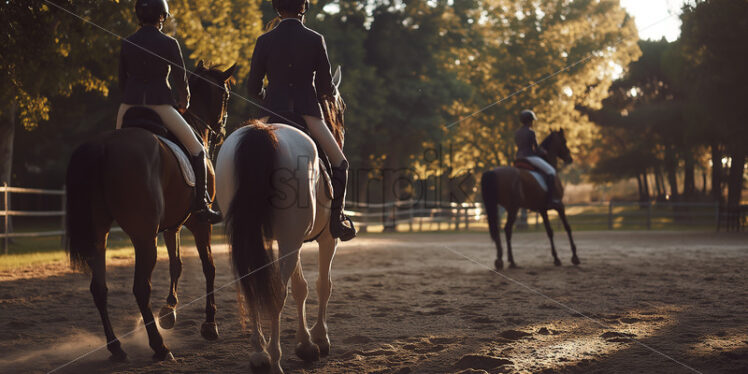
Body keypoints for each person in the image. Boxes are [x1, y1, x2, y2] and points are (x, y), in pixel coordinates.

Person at [246, 0, 356, 241]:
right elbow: (326, 88)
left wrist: (268, 96)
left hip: (271, 112)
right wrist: (317, 95)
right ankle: (337, 221)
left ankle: (242, 215)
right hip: (307, 111)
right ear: (303, 8)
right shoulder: (315, 39)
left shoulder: (264, 40)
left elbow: (253, 87)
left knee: (244, 155)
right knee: (340, 162)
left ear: (277, 8)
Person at [116, 0, 221, 223]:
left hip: (129, 106)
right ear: (162, 16)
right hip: (160, 105)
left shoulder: (127, 42)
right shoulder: (169, 42)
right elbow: (181, 80)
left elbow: (121, 83)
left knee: (115, 148)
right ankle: (201, 205)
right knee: (197, 149)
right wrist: (184, 102)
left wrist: (129, 101)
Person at [514, 109, 558, 209]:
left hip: (518, 158)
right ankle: (550, 200)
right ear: (530, 121)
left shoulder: (517, 133)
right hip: (530, 157)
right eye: (532, 121)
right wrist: (544, 152)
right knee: (551, 171)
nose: (532, 123)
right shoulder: (531, 132)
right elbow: (536, 148)